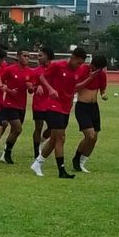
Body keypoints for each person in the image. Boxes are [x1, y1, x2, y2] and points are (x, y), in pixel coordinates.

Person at [31, 47, 88, 178]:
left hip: (66, 107)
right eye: (78, 62)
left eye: (81, 64)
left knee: (54, 140)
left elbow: (76, 86)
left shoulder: (78, 70)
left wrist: (90, 77)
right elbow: (42, 77)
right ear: (72, 57)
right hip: (53, 106)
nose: (79, 66)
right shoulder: (57, 66)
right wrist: (50, 89)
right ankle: (61, 171)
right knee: (61, 138)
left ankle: (37, 163)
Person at [72, 54, 108, 173]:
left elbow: (102, 88)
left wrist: (103, 94)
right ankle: (76, 158)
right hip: (82, 107)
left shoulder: (101, 74)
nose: (98, 70)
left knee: (94, 138)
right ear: (92, 64)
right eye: (97, 68)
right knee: (90, 136)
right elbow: (76, 87)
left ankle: (82, 162)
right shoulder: (83, 69)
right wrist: (90, 77)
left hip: (94, 107)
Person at [0, 49, 33, 164]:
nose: (27, 58)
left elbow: (30, 91)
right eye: (25, 56)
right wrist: (8, 90)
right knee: (18, 129)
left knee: (15, 131)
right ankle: (6, 152)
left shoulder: (30, 72)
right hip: (9, 104)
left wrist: (31, 88)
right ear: (18, 57)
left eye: (28, 56)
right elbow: (0, 82)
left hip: (21, 106)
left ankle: (5, 153)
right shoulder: (9, 69)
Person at [31, 48, 54, 159]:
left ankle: (42, 141)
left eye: (41, 56)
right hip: (39, 103)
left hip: (52, 103)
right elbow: (30, 89)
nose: (38, 58)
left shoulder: (56, 69)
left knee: (53, 127)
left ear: (48, 56)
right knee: (38, 126)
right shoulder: (36, 71)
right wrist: (36, 87)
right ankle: (36, 151)